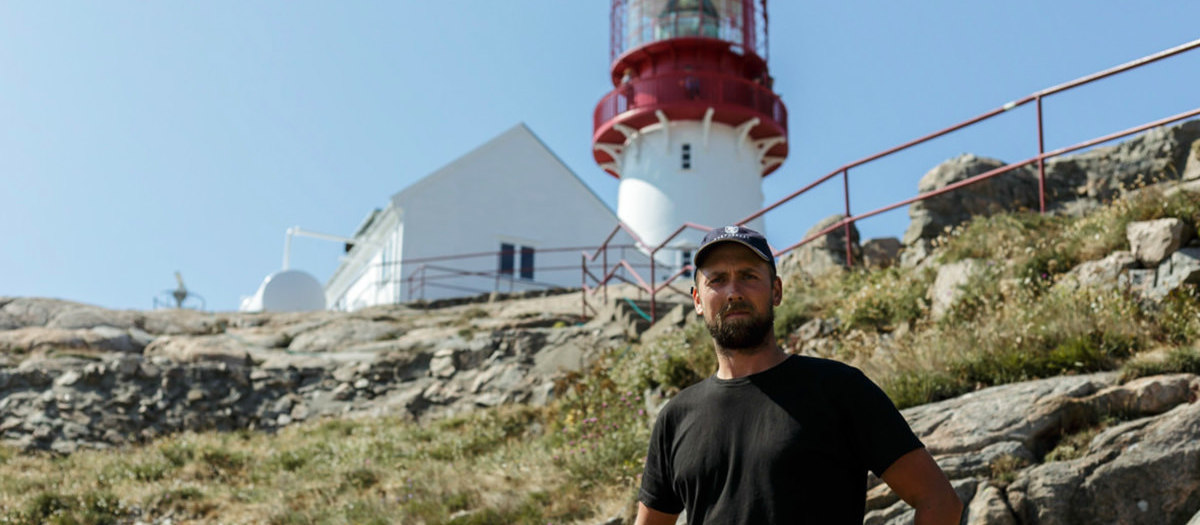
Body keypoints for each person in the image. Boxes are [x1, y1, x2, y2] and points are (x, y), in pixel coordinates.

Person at [636, 225, 962, 524]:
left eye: (748, 276)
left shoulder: (839, 389)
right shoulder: (676, 418)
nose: (733, 291)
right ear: (697, 299)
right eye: (717, 280)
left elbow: (939, 500)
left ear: (776, 291)